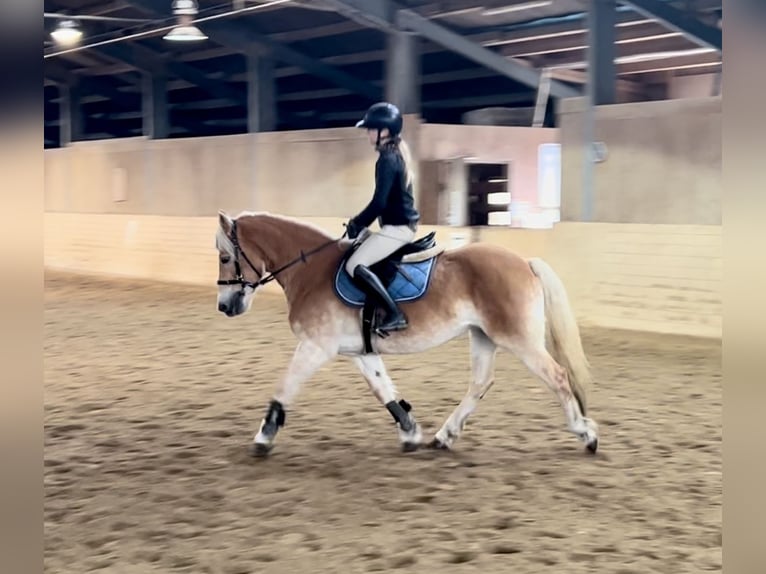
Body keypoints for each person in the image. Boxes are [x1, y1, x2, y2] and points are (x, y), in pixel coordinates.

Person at [344, 101, 420, 334]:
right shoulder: (396, 154)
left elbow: (380, 202)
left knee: (354, 265)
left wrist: (358, 222)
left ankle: (394, 314)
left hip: (397, 229)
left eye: (370, 129)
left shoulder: (387, 159)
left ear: (383, 131)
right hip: (399, 226)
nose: (367, 133)